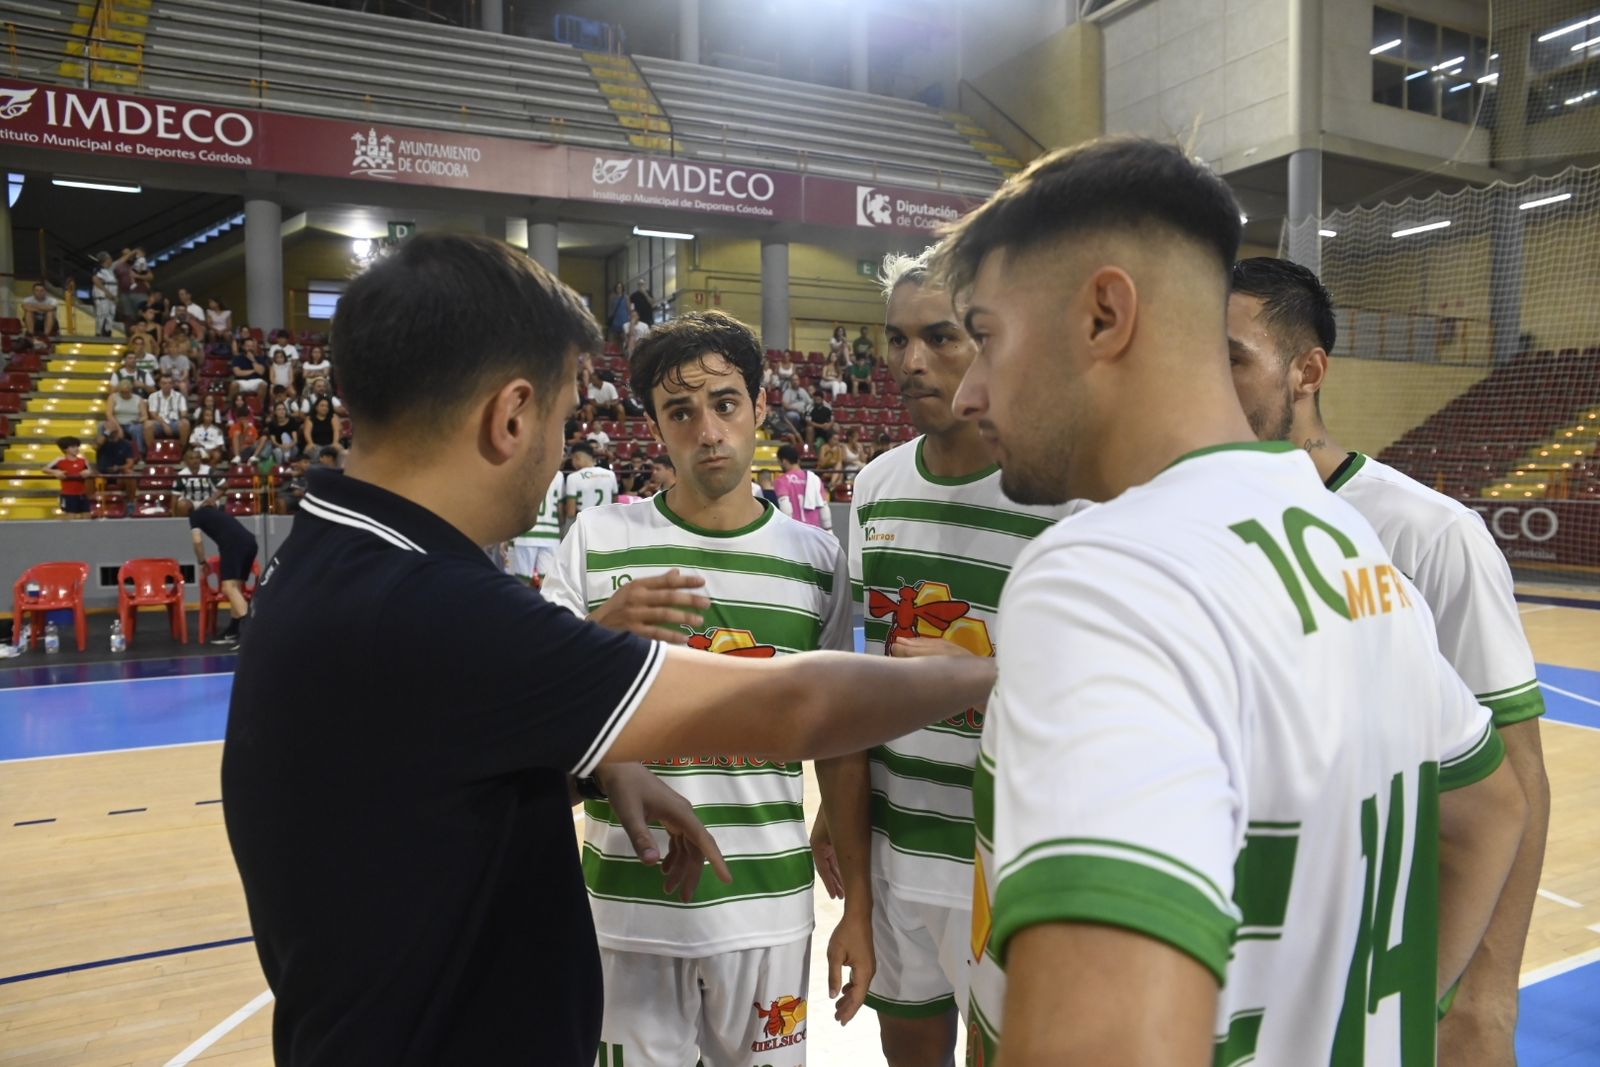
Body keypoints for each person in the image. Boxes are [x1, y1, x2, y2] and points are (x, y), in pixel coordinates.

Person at [220, 233, 997, 1066]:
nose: (562, 448)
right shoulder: (442, 610)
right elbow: (797, 706)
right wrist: (990, 673)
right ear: (511, 415)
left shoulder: (319, 565)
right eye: (561, 419)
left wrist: (605, 765)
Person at [932, 136, 1525, 1064]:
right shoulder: (1346, 543)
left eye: (988, 334)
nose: (970, 391)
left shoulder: (1105, 573)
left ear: (1103, 315)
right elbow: (1490, 812)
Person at [1227, 256, 1550, 1066]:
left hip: (1384, 957)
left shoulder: (1432, 535)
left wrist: (1484, 991)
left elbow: (1516, 775)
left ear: (1309, 370)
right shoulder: (1204, 524)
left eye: (1232, 359)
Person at [544, 310, 851, 1067]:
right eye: (681, 411)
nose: (708, 430)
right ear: (655, 424)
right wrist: (604, 636)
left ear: (758, 407)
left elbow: (841, 735)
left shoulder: (816, 558)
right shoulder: (598, 541)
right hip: (626, 905)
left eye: (725, 404)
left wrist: (863, 904)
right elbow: (541, 717)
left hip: (770, 905)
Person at [812, 247, 1084, 1066]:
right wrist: (841, 801)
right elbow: (862, 672)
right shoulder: (880, 485)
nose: (911, 362)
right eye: (896, 340)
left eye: (940, 337)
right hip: (898, 842)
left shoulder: (1062, 494)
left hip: (1004, 850)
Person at [188, 502, 257, 647]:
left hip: (234, 545)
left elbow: (197, 541)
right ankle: (233, 630)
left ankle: (251, 632)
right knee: (235, 589)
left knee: (228, 588)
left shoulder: (194, 516)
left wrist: (202, 562)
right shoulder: (215, 512)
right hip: (250, 543)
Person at [508, 469, 564, 587]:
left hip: (526, 534)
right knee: (548, 582)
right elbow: (560, 508)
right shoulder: (558, 474)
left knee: (521, 580)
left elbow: (513, 505)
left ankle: (521, 605)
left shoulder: (521, 469)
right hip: (551, 534)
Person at [773, 444, 833, 532]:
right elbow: (824, 507)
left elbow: (785, 507)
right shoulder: (814, 478)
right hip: (815, 532)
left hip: (795, 532)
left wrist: (786, 531)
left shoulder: (782, 480)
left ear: (784, 461)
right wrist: (829, 530)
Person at [563, 440, 617, 520]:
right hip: (606, 522)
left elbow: (571, 512)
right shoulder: (610, 474)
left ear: (576, 457)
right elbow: (615, 505)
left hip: (586, 524)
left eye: (572, 459)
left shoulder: (573, 477)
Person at [44, 436, 91, 519]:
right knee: (70, 517)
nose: (76, 449)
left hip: (82, 494)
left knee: (87, 516)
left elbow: (90, 471)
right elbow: (45, 469)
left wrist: (88, 472)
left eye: (77, 446)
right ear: (65, 449)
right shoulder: (59, 460)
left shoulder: (83, 460)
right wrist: (56, 472)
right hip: (68, 495)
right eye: (73, 447)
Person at [104, 380, 149, 456]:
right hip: (116, 422)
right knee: (102, 426)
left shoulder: (138, 399)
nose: (124, 394)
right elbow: (109, 414)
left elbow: (145, 416)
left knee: (137, 429)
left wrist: (138, 420)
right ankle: (105, 454)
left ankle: (139, 453)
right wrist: (118, 428)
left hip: (132, 423)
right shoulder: (113, 397)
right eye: (122, 392)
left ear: (131, 391)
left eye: (127, 392)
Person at [174, 445, 221, 517]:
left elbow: (225, 485)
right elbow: (175, 495)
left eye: (197, 458)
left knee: (209, 506)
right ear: (186, 461)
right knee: (182, 505)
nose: (195, 461)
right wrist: (173, 516)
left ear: (200, 460)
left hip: (208, 500)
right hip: (190, 502)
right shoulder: (181, 474)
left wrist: (212, 499)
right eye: (191, 458)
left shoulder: (209, 471)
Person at [145, 374, 191, 448]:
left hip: (175, 422)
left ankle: (182, 449)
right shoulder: (153, 396)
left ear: (173, 384)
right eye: (164, 383)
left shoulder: (179, 396)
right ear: (159, 384)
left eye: (170, 383)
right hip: (159, 423)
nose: (167, 385)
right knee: (148, 424)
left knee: (185, 423)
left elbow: (183, 412)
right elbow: (153, 414)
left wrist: (183, 415)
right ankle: (151, 450)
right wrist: (164, 425)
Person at [92, 253, 119, 337]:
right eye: (110, 258)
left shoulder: (110, 271)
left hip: (112, 297)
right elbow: (96, 280)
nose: (111, 260)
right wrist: (108, 293)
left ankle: (108, 333)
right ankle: (99, 334)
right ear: (105, 260)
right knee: (102, 314)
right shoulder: (99, 269)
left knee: (111, 315)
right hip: (103, 296)